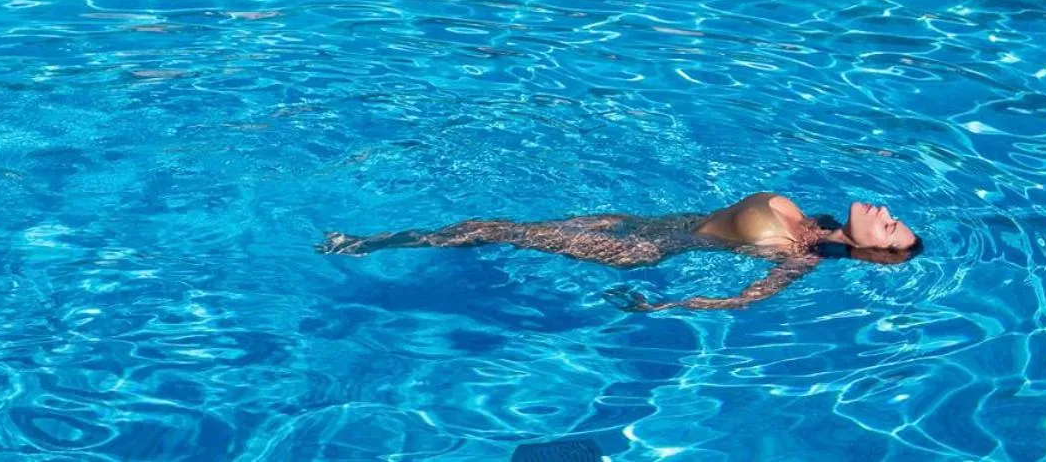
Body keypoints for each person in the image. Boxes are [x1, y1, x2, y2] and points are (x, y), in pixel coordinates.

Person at [320, 193, 921, 312]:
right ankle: (380, 242)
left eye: (891, 231)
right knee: (497, 225)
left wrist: (663, 307)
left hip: (642, 247)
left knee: (497, 229)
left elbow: (742, 299)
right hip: (643, 220)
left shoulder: (800, 255)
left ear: (872, 253)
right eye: (895, 220)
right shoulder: (812, 219)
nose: (888, 216)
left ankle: (368, 245)